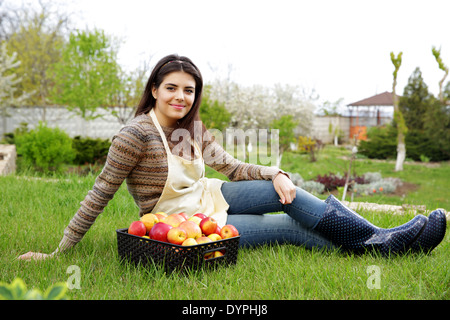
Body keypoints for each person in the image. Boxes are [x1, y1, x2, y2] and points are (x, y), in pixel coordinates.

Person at [18, 54, 447, 261]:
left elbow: (231, 168)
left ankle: (382, 239)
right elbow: (99, 194)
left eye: (189, 90)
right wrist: (58, 253)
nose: (181, 97)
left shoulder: (192, 129)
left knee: (290, 194)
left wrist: (276, 172)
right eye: (172, 88)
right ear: (154, 89)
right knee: (286, 227)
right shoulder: (134, 136)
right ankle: (385, 246)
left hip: (212, 196)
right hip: (178, 221)